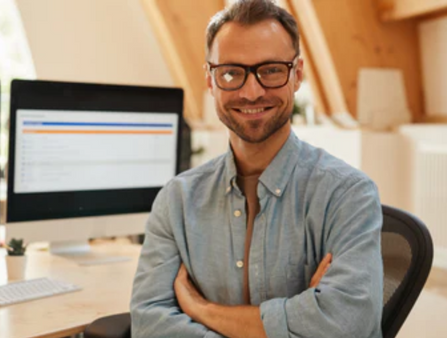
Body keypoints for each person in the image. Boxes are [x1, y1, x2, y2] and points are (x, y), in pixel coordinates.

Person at [130, 0, 383, 337]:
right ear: (210, 80)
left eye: (272, 70)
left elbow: (345, 325)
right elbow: (150, 325)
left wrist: (202, 310)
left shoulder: (348, 195)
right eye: (232, 73)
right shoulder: (176, 200)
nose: (252, 92)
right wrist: (300, 317)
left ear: (298, 75)